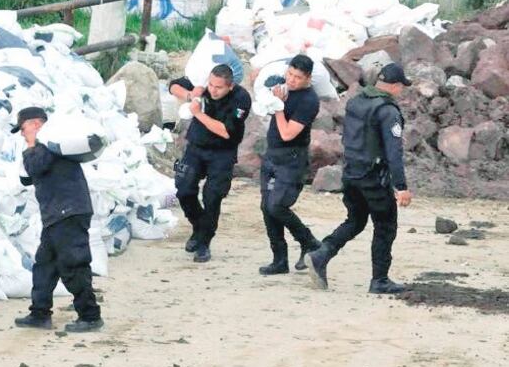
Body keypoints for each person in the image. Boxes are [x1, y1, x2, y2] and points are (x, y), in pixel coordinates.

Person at [307, 63, 413, 294]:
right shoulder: (388, 111)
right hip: (374, 178)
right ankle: (380, 280)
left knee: (355, 221)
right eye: (401, 87)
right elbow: (394, 152)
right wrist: (401, 186)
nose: (402, 91)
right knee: (385, 226)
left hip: (351, 173)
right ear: (394, 86)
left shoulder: (356, 102)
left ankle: (321, 253)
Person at [12, 107, 103, 333]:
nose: (22, 135)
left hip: (68, 213)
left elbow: (35, 166)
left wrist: (32, 144)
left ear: (35, 124)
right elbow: (27, 178)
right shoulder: (48, 146)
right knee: (45, 265)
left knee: (73, 264)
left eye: (23, 129)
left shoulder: (50, 144)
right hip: (57, 215)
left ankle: (90, 316)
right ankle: (39, 313)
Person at [168, 64, 252, 263]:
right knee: (183, 189)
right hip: (196, 147)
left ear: (230, 86)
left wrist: (198, 113)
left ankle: (204, 242)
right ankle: (198, 227)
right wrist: (191, 94)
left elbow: (226, 131)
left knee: (212, 196)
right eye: (211, 85)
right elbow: (173, 86)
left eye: (218, 87)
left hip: (222, 151)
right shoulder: (203, 87)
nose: (213, 90)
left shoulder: (241, 99)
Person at [258, 55, 322, 275]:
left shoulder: (309, 101)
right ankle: (279, 259)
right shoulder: (284, 88)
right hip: (272, 156)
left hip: (292, 159)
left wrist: (278, 107)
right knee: (267, 207)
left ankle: (309, 241)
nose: (292, 80)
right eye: (290, 75)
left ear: (308, 78)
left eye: (298, 77)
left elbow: (287, 133)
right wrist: (271, 99)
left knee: (277, 205)